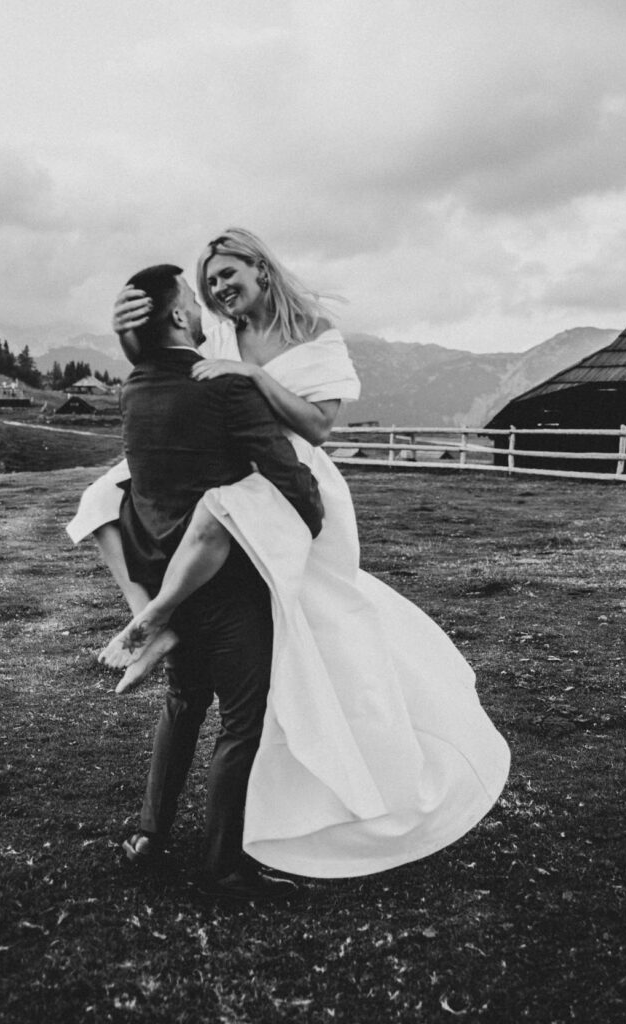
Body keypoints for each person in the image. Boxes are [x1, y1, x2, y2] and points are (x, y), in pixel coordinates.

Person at [69, 228, 510, 879]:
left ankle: (163, 622)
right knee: (103, 498)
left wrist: (248, 374)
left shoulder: (315, 338)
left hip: (282, 478)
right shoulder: (213, 336)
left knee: (302, 637)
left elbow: (317, 425)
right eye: (208, 280)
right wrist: (127, 327)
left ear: (262, 269)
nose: (218, 289)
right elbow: (165, 353)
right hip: (230, 468)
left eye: (228, 274)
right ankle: (152, 617)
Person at [111, 262, 324, 900]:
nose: (204, 311)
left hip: (163, 572)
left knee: (183, 702)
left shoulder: (133, 390)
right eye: (191, 304)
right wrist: (313, 512)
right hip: (228, 583)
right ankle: (224, 863)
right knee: (241, 718)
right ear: (178, 316)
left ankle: (151, 834)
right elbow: (291, 482)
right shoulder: (226, 391)